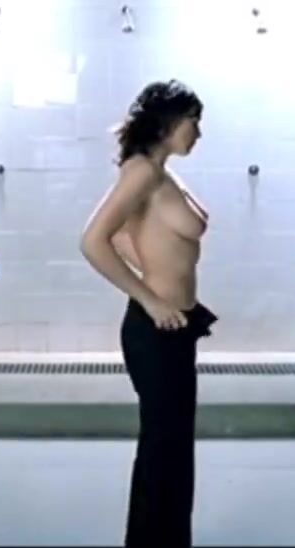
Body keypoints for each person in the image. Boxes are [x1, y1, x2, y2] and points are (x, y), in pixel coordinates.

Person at [79, 79, 217, 548]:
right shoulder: (141, 171)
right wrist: (150, 298)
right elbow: (92, 241)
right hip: (155, 329)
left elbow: (126, 234)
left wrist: (148, 264)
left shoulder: (157, 172)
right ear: (168, 122)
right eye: (193, 122)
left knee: (172, 447)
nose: (198, 132)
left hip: (178, 327)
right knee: (163, 447)